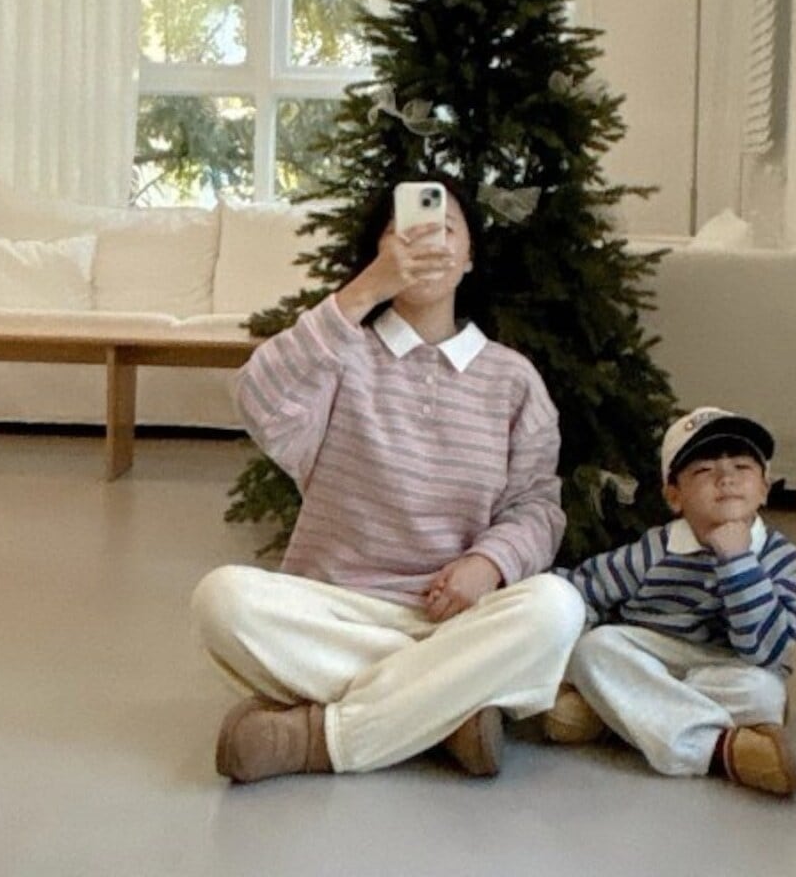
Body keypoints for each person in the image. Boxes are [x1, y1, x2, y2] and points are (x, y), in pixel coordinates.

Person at [191, 178, 585, 784]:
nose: (429, 241)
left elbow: (536, 505)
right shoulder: (341, 355)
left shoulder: (513, 379)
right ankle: (444, 709)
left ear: (470, 257)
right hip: (338, 609)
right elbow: (257, 398)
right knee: (220, 600)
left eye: (446, 229)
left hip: (455, 618)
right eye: (407, 231)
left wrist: (489, 564)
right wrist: (365, 290)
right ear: (380, 251)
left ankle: (314, 738)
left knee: (556, 608)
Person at [544, 406, 796, 796]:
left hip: (727, 664)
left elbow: (767, 651)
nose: (725, 477)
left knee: (763, 691)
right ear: (674, 496)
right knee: (593, 650)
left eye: (742, 466)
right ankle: (722, 748)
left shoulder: (780, 557)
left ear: (764, 488)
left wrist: (738, 561)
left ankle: (619, 714)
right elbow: (583, 588)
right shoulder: (655, 549)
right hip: (652, 655)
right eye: (703, 470)